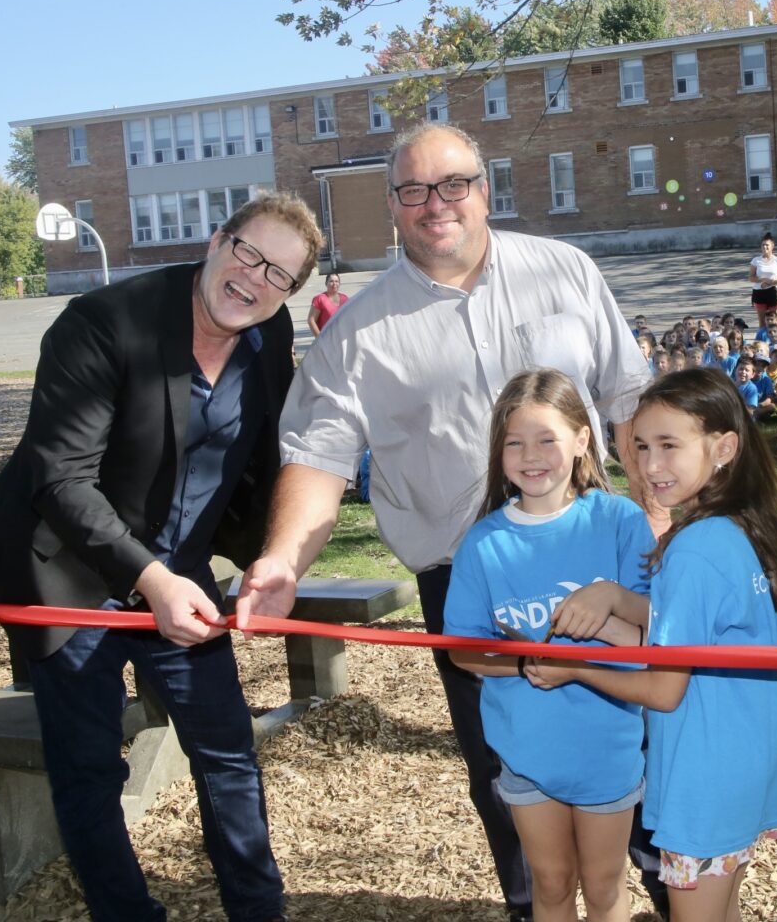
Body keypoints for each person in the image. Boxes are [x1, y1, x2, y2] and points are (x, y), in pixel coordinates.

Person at [242, 122, 664, 922]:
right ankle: (531, 908)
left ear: (484, 186)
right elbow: (319, 458)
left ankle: (662, 896)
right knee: (506, 768)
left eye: (453, 184)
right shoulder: (357, 331)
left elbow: (626, 399)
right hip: (471, 586)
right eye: (412, 190)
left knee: (643, 743)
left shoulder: (565, 273)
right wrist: (283, 564)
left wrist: (666, 520)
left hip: (603, 567)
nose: (435, 204)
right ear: (392, 204)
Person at [0, 194, 324, 922]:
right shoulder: (103, 322)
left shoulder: (267, 329)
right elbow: (58, 477)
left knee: (226, 751)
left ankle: (259, 910)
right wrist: (147, 579)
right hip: (69, 567)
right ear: (218, 240)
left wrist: (266, 557)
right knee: (90, 765)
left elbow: (266, 455)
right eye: (248, 252)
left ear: (291, 291)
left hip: (178, 564)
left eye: (279, 274)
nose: (254, 279)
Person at [525, 368, 777, 922]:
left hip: (702, 779)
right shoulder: (740, 528)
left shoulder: (694, 548)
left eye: (670, 447)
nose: (651, 466)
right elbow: (697, 630)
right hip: (746, 766)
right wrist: (612, 600)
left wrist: (576, 668)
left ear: (723, 446)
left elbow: (663, 687)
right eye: (643, 446)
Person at [444, 369, 656, 922]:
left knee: (605, 884)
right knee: (552, 882)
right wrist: (529, 661)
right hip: (525, 751)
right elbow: (463, 650)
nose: (530, 456)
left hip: (606, 745)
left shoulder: (618, 521)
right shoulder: (484, 543)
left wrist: (603, 613)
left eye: (547, 440)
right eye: (514, 442)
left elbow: (654, 636)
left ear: (583, 440)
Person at [749, 233, 777, 328]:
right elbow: (751, 277)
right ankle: (762, 341)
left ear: (772, 246)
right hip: (759, 293)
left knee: (774, 321)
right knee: (762, 322)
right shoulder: (756, 260)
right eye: (763, 245)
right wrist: (762, 280)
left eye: (767, 245)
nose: (764, 247)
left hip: (773, 293)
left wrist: (771, 282)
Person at [306, 271, 349, 337]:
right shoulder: (319, 299)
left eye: (336, 281)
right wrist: (320, 338)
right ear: (326, 283)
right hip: (327, 340)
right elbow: (311, 320)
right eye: (331, 281)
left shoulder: (345, 298)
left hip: (342, 338)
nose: (334, 284)